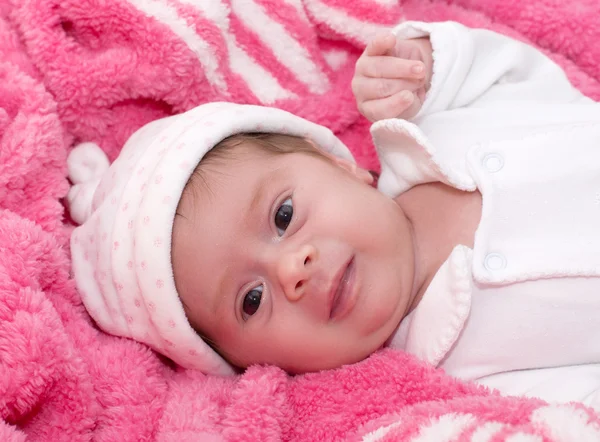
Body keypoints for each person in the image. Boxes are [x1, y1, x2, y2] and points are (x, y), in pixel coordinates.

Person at [67, 20, 600, 408]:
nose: (291, 270)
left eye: (283, 216)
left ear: (338, 164)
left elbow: (512, 73)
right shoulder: (455, 370)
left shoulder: (437, 128)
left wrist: (422, 66)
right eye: (251, 301)